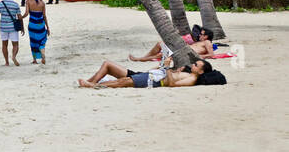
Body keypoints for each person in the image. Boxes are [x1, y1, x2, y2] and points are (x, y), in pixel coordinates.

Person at [77, 56, 225, 89]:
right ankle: (91, 83)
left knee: (124, 82)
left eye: (196, 65)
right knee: (116, 72)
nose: (193, 65)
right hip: (154, 75)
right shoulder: (188, 73)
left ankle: (91, 85)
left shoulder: (192, 79)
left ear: (200, 71)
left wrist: (167, 68)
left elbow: (172, 84)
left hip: (156, 81)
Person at [0, 0, 24, 66]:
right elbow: (19, 17)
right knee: (15, 44)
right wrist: (22, 27)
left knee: (4, 44)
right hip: (13, 27)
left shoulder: (0, 4)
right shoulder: (15, 4)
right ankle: (14, 56)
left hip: (3, 27)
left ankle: (7, 62)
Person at [26, 0, 49, 64]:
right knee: (41, 41)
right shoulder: (42, 3)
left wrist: (20, 17)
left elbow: (26, 13)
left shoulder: (28, 1)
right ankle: (42, 52)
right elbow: (44, 16)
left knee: (33, 42)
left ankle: (35, 60)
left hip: (32, 25)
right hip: (41, 24)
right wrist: (47, 27)